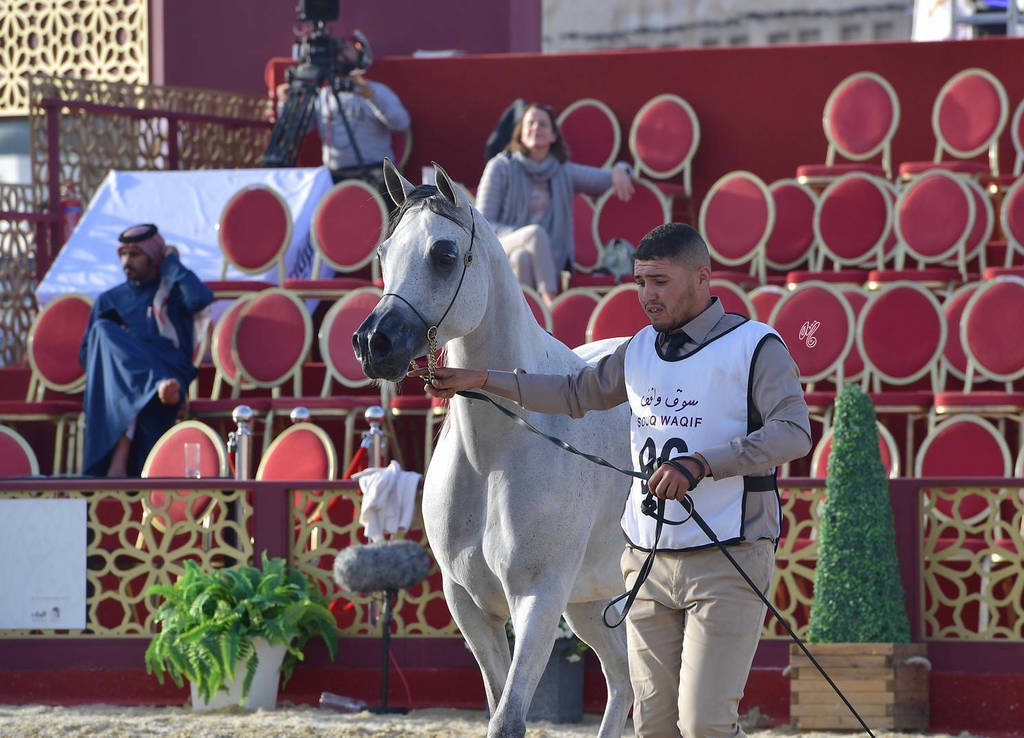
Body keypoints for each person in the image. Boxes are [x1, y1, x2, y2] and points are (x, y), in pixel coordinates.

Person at [413, 223, 811, 737]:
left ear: (702, 278)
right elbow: (574, 393)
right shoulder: (641, 349)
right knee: (653, 727)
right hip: (647, 559)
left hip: (727, 554)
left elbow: (793, 432)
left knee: (705, 723)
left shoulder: (757, 346)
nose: (647, 296)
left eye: (661, 282)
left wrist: (703, 464)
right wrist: (483, 380)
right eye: (641, 281)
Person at [79, 224, 213, 477]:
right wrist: (124, 355)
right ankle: (153, 385)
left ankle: (120, 458)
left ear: (154, 257)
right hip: (139, 383)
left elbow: (200, 298)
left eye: (135, 254)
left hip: (169, 370)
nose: (127, 261)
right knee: (103, 331)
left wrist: (172, 262)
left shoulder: (172, 292)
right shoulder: (110, 300)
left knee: (131, 389)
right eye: (123, 254)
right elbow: (88, 355)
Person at [476, 102, 636, 307]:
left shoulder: (562, 171)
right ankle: (550, 306)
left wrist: (622, 168)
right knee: (534, 234)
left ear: (553, 135)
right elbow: (482, 225)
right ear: (520, 133)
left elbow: (604, 179)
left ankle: (526, 317)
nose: (536, 128)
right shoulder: (500, 166)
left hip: (547, 259)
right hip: (498, 246)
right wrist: (523, 235)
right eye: (530, 123)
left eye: (542, 124)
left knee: (522, 258)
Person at [276, 35, 410, 190]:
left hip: (376, 174)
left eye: (346, 48)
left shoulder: (378, 90)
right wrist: (285, 103)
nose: (340, 54)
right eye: (336, 51)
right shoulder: (322, 95)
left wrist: (372, 97)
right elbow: (297, 131)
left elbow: (401, 123)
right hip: (335, 177)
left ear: (359, 55)